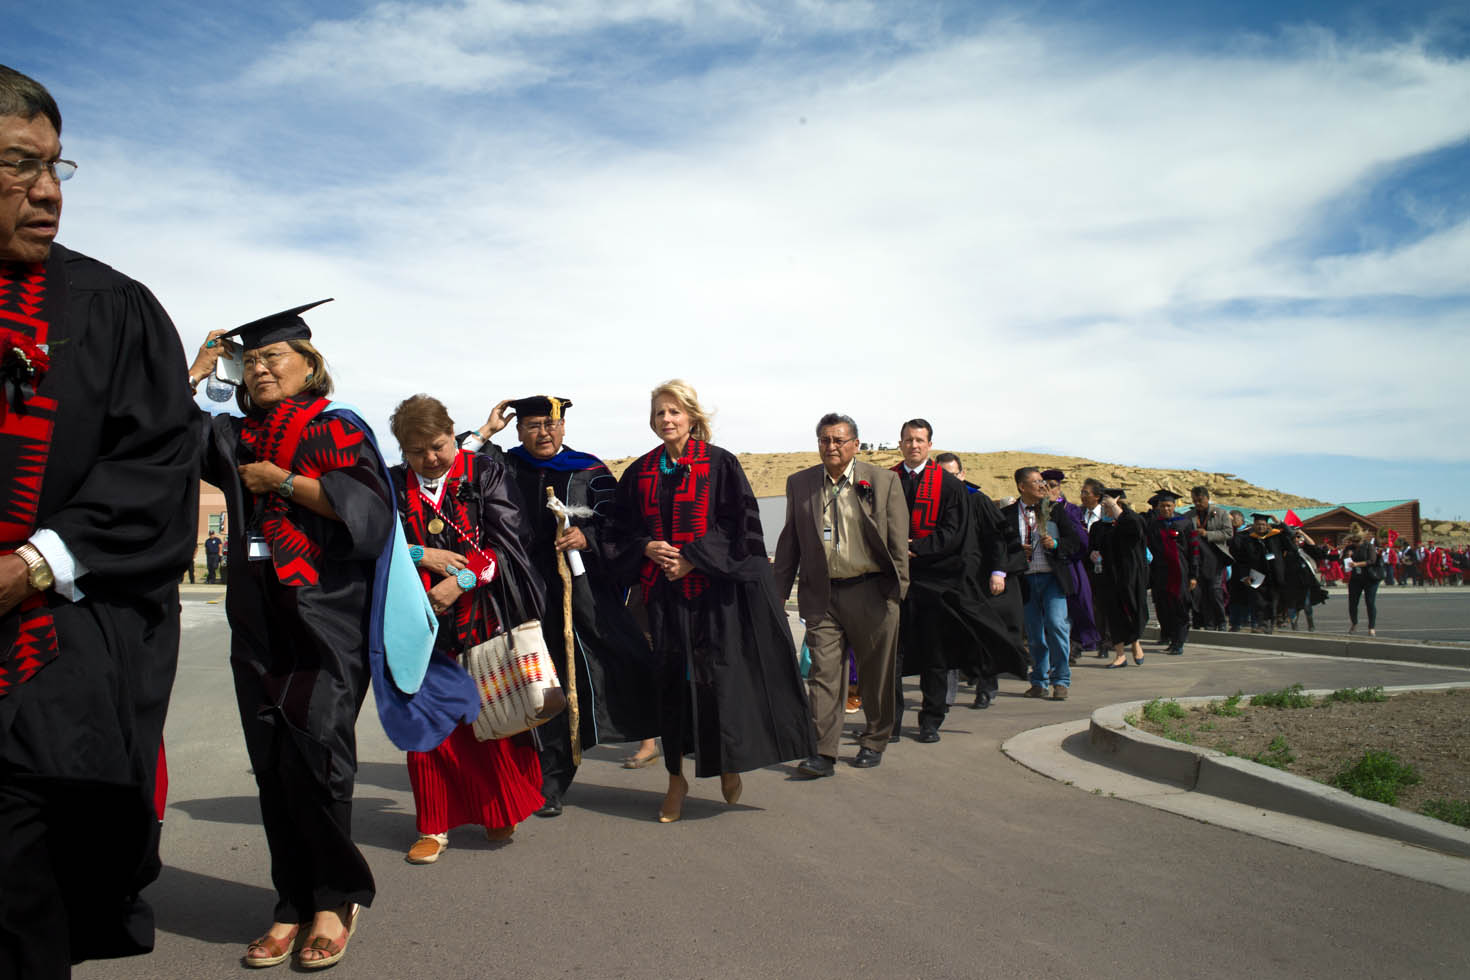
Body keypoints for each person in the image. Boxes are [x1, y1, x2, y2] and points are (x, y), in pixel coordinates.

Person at [0, 64, 199, 977]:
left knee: (20, 909)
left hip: (38, 669)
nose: (47, 193)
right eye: (16, 166)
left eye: (56, 168)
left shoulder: (112, 312)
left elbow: (157, 472)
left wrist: (33, 564)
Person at [189, 302, 394, 969]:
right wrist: (193, 371)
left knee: (319, 755)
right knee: (273, 759)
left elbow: (368, 511)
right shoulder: (235, 436)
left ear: (310, 364)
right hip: (258, 614)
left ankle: (334, 900)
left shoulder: (335, 427)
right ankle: (289, 900)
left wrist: (286, 483)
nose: (259, 367)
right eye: (248, 360)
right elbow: (159, 436)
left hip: (327, 615)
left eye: (273, 356)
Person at [610, 380, 812, 822]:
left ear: (692, 417)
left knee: (720, 686)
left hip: (715, 599)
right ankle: (675, 781)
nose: (667, 419)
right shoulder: (640, 471)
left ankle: (726, 764)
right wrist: (646, 547)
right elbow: (620, 531)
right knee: (671, 690)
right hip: (662, 601)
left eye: (675, 412)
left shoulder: (720, 465)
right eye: (660, 413)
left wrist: (693, 560)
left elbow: (739, 527)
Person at [462, 395, 658, 815]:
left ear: (564, 427)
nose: (543, 432)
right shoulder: (504, 465)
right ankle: (525, 772)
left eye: (550, 424)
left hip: (576, 593)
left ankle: (554, 778)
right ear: (518, 431)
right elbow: (457, 465)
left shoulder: (589, 470)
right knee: (523, 680)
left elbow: (621, 525)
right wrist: (486, 430)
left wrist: (587, 535)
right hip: (516, 591)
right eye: (532, 425)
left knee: (574, 677)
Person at [387, 395, 547, 864]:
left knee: (490, 718)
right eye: (417, 452)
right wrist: (422, 555)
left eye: (437, 446)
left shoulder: (484, 473)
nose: (431, 459)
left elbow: (509, 542)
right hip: (416, 625)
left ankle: (498, 807)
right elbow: (377, 542)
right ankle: (432, 827)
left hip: (481, 616)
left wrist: (459, 581)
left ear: (451, 434)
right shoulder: (393, 485)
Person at [773, 413, 908, 775]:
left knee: (874, 674)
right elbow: (790, 544)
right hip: (823, 596)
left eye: (838, 440)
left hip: (872, 592)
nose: (830, 447)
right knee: (823, 675)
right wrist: (776, 595)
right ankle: (823, 752)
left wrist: (897, 593)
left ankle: (874, 738)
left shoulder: (882, 481)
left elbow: (897, 540)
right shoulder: (800, 484)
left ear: (855, 445)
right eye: (824, 440)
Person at [891, 421, 1028, 734]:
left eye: (920, 440)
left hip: (936, 581)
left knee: (934, 655)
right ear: (900, 443)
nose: (914, 445)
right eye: (908, 440)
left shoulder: (949, 485)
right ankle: (892, 721)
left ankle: (931, 720)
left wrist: (917, 548)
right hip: (895, 579)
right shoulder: (887, 480)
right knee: (893, 656)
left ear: (929, 445)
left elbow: (955, 533)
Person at [935, 453, 1027, 708]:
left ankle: (987, 687)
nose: (947, 480)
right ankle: (947, 693)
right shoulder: (936, 503)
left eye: (952, 475)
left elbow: (999, 537)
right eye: (942, 476)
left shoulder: (978, 501)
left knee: (985, 634)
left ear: (962, 475)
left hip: (982, 579)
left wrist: (999, 571)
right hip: (953, 580)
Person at [1002, 467, 1082, 699]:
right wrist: (1016, 550)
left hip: (1052, 578)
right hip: (1025, 580)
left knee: (1057, 625)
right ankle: (1038, 680)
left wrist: (1056, 545)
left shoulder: (1055, 510)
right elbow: (999, 546)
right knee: (1035, 634)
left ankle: (1061, 680)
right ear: (1021, 486)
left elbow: (1073, 541)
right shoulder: (1007, 514)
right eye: (1035, 482)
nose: (1041, 485)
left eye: (1042, 482)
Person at [1041, 468, 1099, 661]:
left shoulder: (1070, 510)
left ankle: (1071, 647)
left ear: (1059, 488)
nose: (1049, 490)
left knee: (1073, 607)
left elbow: (1082, 540)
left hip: (1068, 564)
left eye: (1053, 486)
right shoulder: (1036, 509)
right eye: (1045, 485)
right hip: (1041, 566)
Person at [1089, 490, 1150, 667]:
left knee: (1133, 610)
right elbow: (1092, 546)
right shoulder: (1099, 526)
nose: (1105, 510)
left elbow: (1136, 530)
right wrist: (1093, 554)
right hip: (1108, 576)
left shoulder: (1132, 521)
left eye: (1107, 506)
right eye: (1104, 507)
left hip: (1131, 576)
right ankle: (1120, 654)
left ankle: (1136, 643)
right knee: (1113, 614)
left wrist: (1115, 507)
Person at [1144, 491, 1198, 655]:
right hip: (1160, 572)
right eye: (1162, 506)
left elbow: (1194, 550)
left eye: (1169, 505)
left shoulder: (1185, 523)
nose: (1166, 509)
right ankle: (1171, 638)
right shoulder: (1154, 525)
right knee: (1164, 606)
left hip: (1181, 572)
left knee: (1180, 607)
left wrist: (1193, 575)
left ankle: (1179, 641)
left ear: (1174, 506)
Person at [1234, 513, 1289, 635]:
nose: (1260, 527)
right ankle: (1261, 624)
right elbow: (1242, 560)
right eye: (1258, 524)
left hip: (1275, 576)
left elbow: (1290, 537)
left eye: (1263, 524)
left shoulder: (1276, 537)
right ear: (1254, 525)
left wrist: (1280, 522)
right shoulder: (1248, 540)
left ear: (1267, 525)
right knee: (1259, 602)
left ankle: (1272, 624)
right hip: (1257, 576)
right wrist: (1245, 576)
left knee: (1274, 602)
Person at [1186, 486, 1232, 631]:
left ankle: (1221, 621)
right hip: (1196, 559)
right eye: (1194, 501)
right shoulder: (1189, 515)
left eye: (1200, 500)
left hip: (1214, 558)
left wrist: (1207, 534)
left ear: (1207, 498)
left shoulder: (1221, 513)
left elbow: (1228, 533)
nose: (1197, 503)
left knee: (1215, 590)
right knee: (1198, 592)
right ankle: (1203, 622)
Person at [1281, 528, 1328, 631]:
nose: (1297, 539)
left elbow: (1312, 545)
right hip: (1290, 582)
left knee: (1307, 604)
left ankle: (1311, 624)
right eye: (1294, 537)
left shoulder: (1304, 549)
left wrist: (1302, 533)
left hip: (1305, 581)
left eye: (1298, 537)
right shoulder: (1284, 550)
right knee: (1292, 606)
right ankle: (1294, 626)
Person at [1342, 525, 1382, 636]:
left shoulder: (1369, 546)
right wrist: (1347, 556)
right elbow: (1343, 561)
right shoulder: (1349, 548)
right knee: (1353, 603)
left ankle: (1371, 627)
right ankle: (1354, 623)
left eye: (1357, 541)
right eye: (1353, 541)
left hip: (1370, 578)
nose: (1355, 543)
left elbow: (1372, 560)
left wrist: (1357, 564)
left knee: (1370, 602)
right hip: (1356, 578)